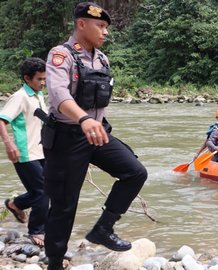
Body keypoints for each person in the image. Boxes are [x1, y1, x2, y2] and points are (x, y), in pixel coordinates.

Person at [43, 3, 147, 269]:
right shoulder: (61, 55)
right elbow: (58, 94)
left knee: (135, 171)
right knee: (65, 205)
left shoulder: (101, 59)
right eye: (100, 26)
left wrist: (94, 122)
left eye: (106, 28)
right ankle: (55, 261)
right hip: (67, 137)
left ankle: (103, 227)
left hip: (97, 132)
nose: (105, 33)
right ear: (81, 24)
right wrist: (84, 118)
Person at [0, 58, 49, 247]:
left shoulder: (38, 95)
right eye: (39, 79)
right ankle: (36, 231)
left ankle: (16, 204)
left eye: (44, 79)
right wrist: (9, 144)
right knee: (42, 191)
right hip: (24, 153)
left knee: (45, 189)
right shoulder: (19, 96)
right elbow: (2, 120)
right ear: (27, 78)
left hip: (41, 151)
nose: (43, 83)